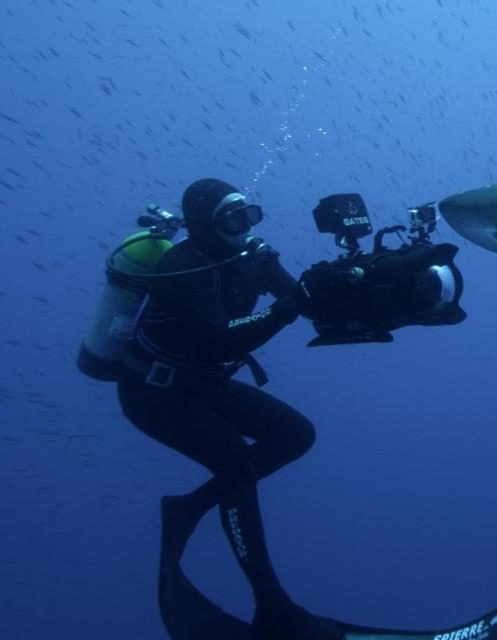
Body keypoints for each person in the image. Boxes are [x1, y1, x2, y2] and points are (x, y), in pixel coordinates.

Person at [116, 178, 339, 640]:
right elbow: (221, 337)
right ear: (204, 225)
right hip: (152, 392)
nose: (243, 227)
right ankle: (273, 607)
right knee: (236, 464)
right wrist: (288, 307)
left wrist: (331, 287)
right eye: (231, 219)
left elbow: (296, 296)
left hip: (203, 383)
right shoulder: (182, 266)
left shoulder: (249, 257)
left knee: (296, 435)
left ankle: (190, 507)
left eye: (249, 215)